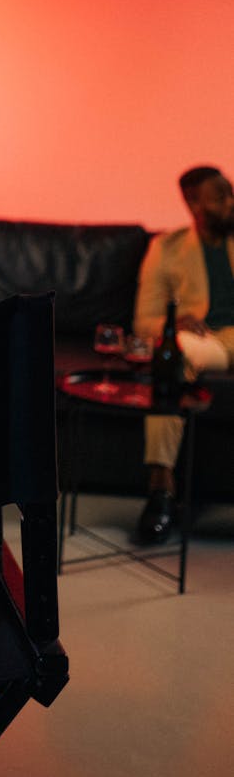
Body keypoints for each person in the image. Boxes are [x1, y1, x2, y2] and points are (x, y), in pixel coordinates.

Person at [133, 165, 234, 543]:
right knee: (172, 357)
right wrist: (175, 322)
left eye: (231, 193)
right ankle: (161, 488)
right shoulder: (167, 248)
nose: (231, 202)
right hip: (207, 339)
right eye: (221, 196)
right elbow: (145, 320)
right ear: (194, 204)